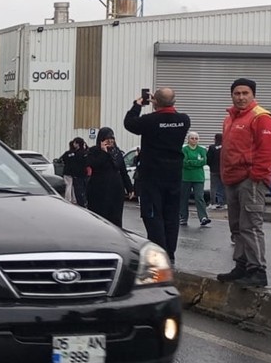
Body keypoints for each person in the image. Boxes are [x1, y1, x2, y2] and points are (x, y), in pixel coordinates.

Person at [216, 78, 271, 287]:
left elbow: (268, 150)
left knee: (250, 225)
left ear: (253, 95)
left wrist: (256, 175)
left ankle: (257, 269)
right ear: (231, 95)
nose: (241, 97)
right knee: (236, 226)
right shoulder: (230, 119)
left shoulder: (261, 117)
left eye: (245, 93)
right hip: (232, 179)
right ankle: (241, 265)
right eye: (237, 93)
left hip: (250, 180)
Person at [124, 86, 190, 260]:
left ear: (154, 102)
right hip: (174, 175)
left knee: (153, 214)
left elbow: (129, 123)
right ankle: (170, 253)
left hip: (152, 175)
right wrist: (160, 103)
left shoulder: (150, 121)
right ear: (174, 102)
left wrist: (138, 105)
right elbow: (169, 114)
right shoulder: (184, 120)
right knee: (171, 215)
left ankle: (159, 252)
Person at [84, 128, 132, 227]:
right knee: (99, 218)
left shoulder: (117, 152)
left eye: (112, 139)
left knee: (115, 218)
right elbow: (93, 164)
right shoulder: (94, 151)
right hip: (98, 190)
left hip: (115, 191)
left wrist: (130, 188)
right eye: (107, 139)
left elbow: (123, 171)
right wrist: (104, 153)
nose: (110, 141)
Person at [181, 132, 211, 227]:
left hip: (198, 177)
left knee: (199, 197)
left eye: (196, 138)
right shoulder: (184, 149)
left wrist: (191, 163)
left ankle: (203, 217)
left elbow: (204, 161)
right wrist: (197, 163)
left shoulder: (202, 149)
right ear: (188, 139)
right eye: (192, 138)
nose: (194, 140)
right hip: (186, 177)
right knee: (184, 198)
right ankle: (183, 217)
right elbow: (184, 162)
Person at [59, 137, 88, 207]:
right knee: (75, 187)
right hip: (79, 173)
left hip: (69, 172)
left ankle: (68, 199)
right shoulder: (83, 152)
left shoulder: (70, 153)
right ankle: (75, 199)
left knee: (69, 185)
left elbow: (61, 160)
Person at [207, 133, 226, 209]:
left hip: (214, 170)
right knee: (224, 187)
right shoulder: (225, 147)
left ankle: (213, 203)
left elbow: (208, 159)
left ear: (215, 139)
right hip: (223, 170)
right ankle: (224, 203)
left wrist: (210, 165)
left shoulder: (212, 147)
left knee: (213, 187)